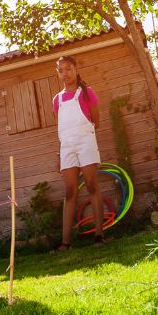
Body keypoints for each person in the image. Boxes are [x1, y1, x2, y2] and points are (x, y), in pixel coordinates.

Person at [53, 55, 106, 250]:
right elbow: (61, 126)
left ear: (75, 69)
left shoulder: (86, 92)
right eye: (61, 70)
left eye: (68, 69)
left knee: (92, 185)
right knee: (69, 191)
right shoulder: (57, 99)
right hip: (66, 146)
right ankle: (66, 241)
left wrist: (84, 136)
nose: (65, 73)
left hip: (86, 142)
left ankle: (99, 235)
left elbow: (96, 119)